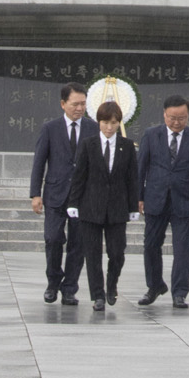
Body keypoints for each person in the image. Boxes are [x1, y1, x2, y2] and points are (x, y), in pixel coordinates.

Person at [136, 94, 189, 308]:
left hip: (184, 200)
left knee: (182, 249)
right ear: (164, 115)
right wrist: (138, 197)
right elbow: (141, 169)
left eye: (182, 118)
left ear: (188, 116)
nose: (177, 123)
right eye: (172, 118)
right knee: (150, 245)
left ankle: (179, 292)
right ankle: (154, 285)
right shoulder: (151, 135)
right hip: (155, 198)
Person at [68, 100, 140, 311]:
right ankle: (97, 295)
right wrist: (73, 202)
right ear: (98, 122)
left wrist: (133, 206)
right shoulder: (88, 144)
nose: (109, 127)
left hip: (117, 208)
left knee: (117, 252)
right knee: (92, 254)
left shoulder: (127, 147)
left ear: (119, 123)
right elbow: (79, 176)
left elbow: (132, 178)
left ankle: (111, 285)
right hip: (90, 207)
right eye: (105, 122)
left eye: (113, 122)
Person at [29, 82, 89, 305]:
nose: (79, 108)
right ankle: (53, 282)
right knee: (53, 239)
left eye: (83, 104)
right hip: (55, 193)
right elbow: (39, 162)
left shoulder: (93, 129)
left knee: (78, 243)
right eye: (75, 104)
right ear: (63, 104)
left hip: (83, 197)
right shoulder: (50, 128)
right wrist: (35, 193)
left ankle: (70, 288)